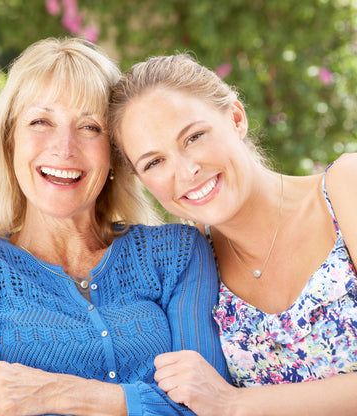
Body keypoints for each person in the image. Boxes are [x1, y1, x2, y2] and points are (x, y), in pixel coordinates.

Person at [0, 41, 231, 416]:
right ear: (9, 140)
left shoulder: (176, 252)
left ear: (114, 153)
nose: (64, 147)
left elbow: (210, 407)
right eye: (40, 122)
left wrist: (55, 392)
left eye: (89, 126)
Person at [108, 53, 357, 415]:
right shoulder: (192, 264)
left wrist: (235, 404)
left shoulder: (345, 189)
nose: (187, 170)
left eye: (194, 137)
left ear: (236, 118)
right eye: (154, 162)